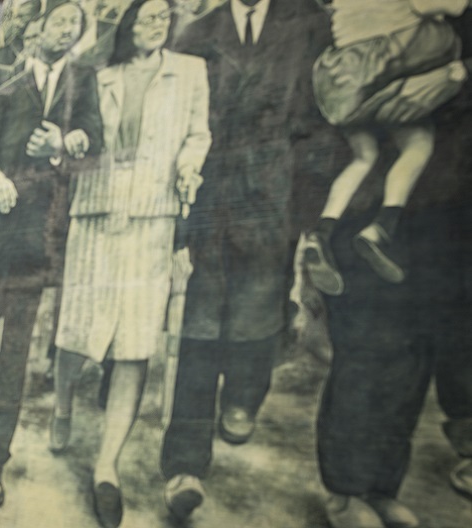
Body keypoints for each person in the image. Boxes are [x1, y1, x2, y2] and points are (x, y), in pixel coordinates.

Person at [161, 0, 331, 520]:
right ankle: (185, 466)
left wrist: (305, 210)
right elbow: (178, 125)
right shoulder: (197, 33)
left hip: (275, 195)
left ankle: (244, 395)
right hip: (209, 200)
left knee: (260, 314)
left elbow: (320, 124)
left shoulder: (308, 25)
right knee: (199, 331)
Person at [46, 1, 210, 526]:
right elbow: (81, 137)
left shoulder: (190, 72)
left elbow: (197, 135)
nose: (154, 23)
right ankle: (64, 403)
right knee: (78, 332)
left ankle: (106, 467)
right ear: (130, 23)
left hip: (154, 215)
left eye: (163, 17)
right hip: (96, 209)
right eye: (146, 16)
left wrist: (188, 169)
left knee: (136, 343)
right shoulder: (102, 75)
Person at [316, 9, 472, 527]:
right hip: (368, 200)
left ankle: (383, 485)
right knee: (366, 345)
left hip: (445, 206)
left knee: (414, 353)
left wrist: (455, 75)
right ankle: (345, 490)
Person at [0, 0, 102, 508]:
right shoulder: (5, 81)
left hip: (39, 238)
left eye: (73, 26)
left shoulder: (83, 82)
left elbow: (94, 142)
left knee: (16, 352)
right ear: (38, 27)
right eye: (58, 20)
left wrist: (62, 144)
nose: (64, 31)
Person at [303, 0, 469, 294]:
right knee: (418, 143)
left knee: (363, 158)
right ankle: (381, 227)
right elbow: (452, 7)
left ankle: (322, 232)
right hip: (389, 61)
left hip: (341, 80)